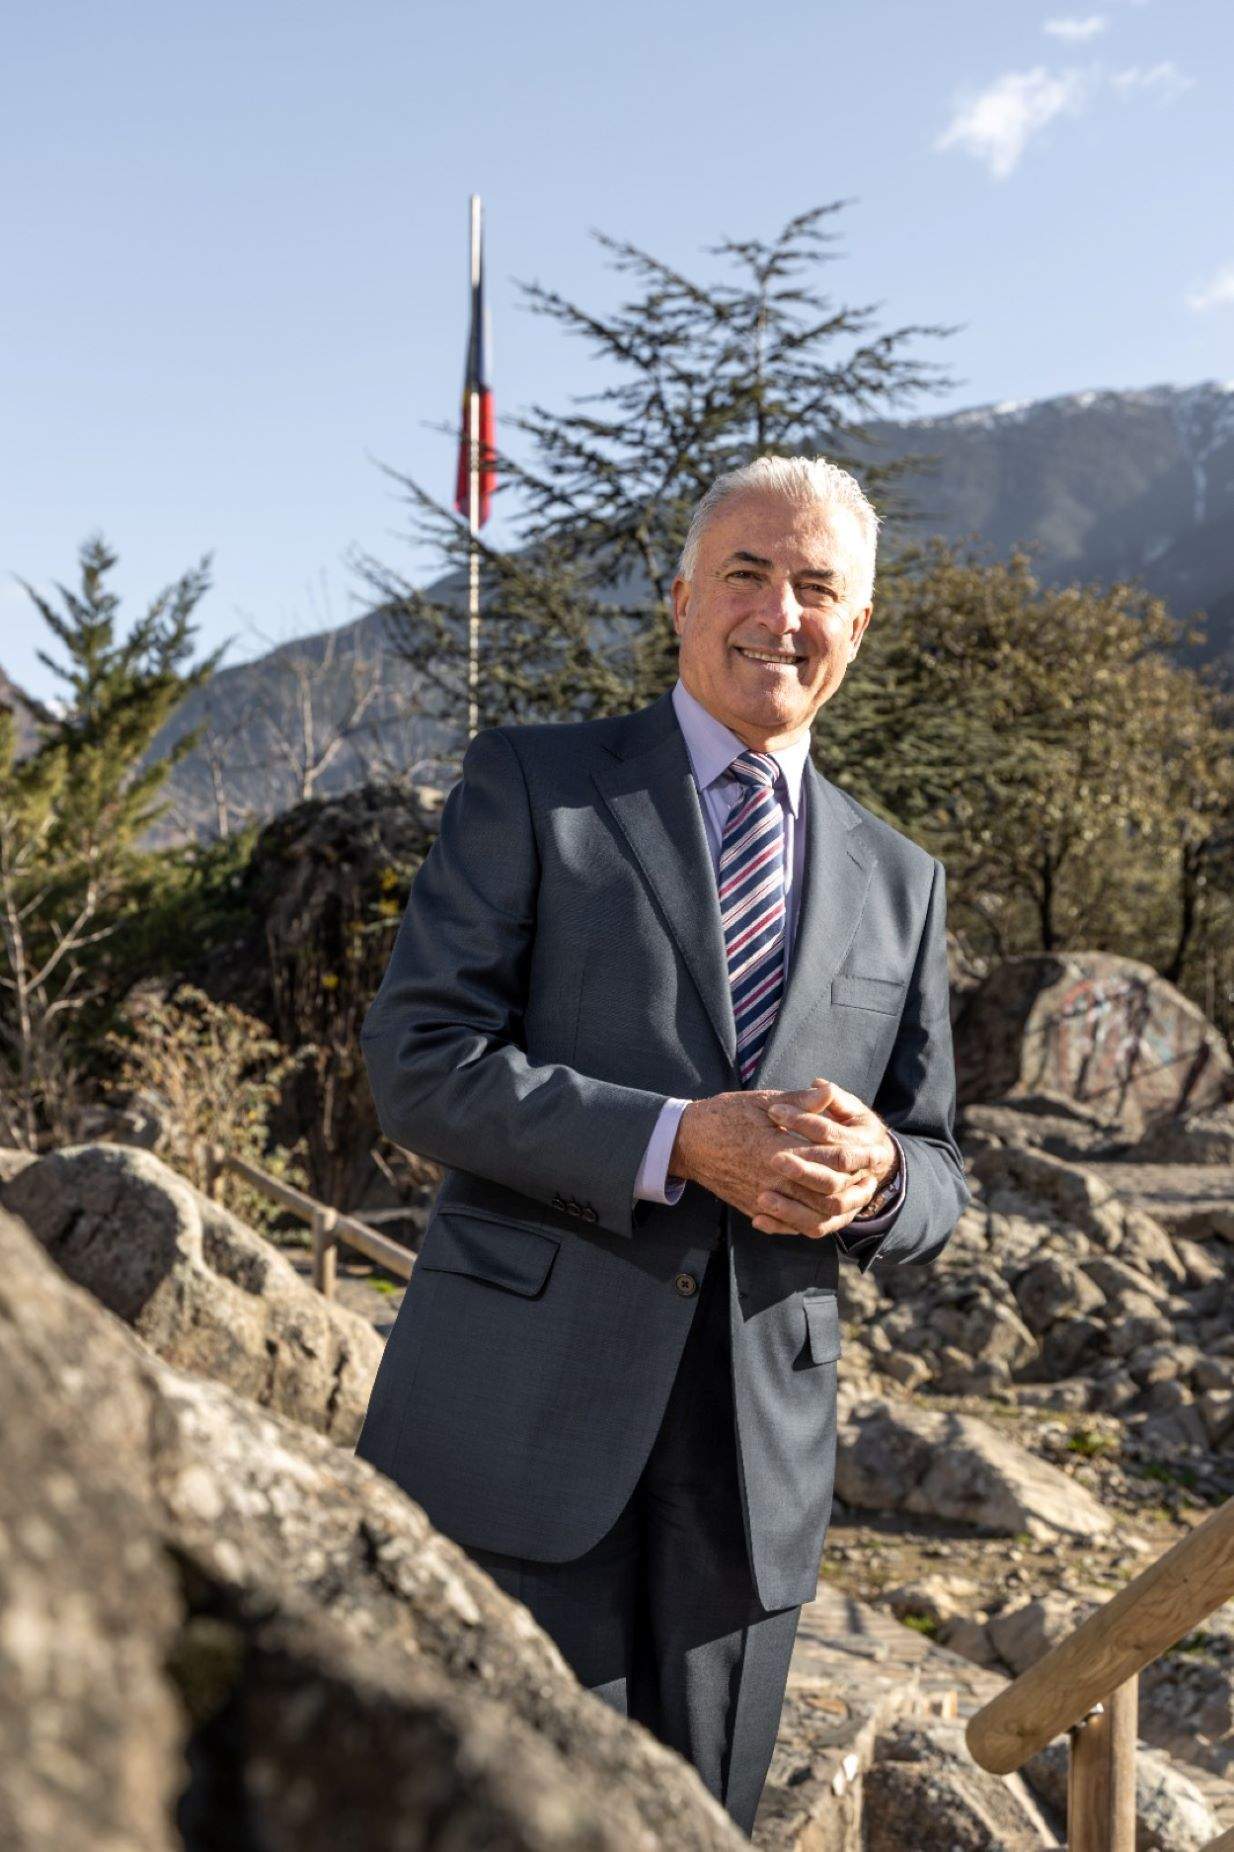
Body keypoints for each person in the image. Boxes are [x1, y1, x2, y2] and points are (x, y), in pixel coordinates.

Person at [355, 455, 970, 1836]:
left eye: (819, 587)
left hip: (753, 1476)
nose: (781, 613)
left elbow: (940, 1164)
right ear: (682, 599)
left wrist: (881, 1182)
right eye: (747, 574)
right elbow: (418, 1067)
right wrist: (676, 1140)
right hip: (514, 1425)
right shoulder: (534, 784)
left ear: (857, 627)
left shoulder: (900, 879)